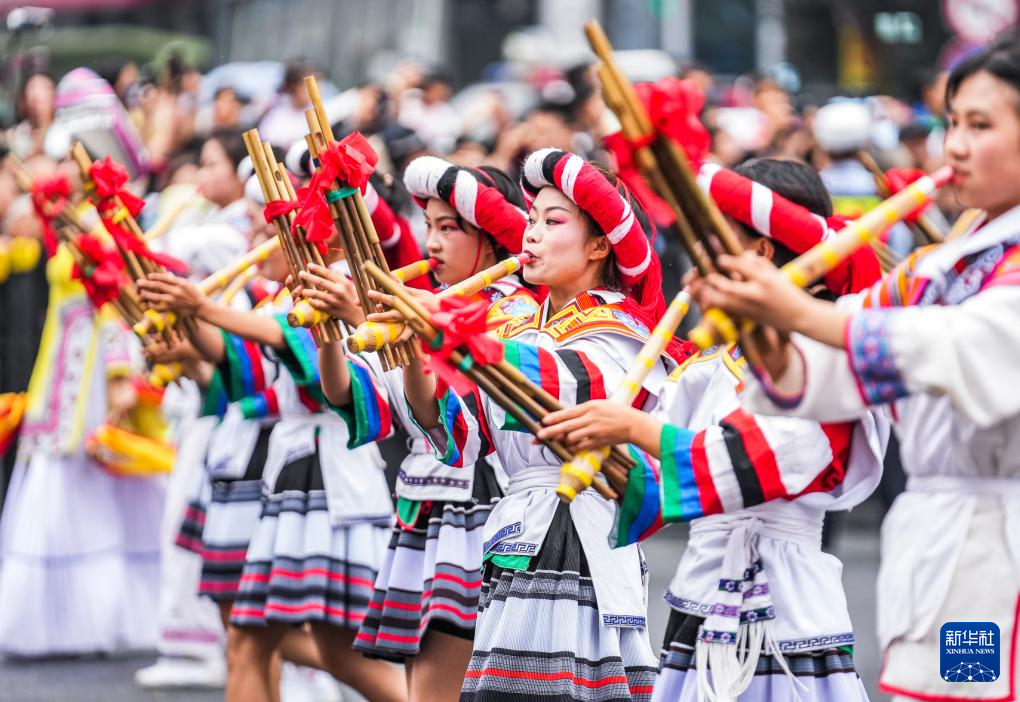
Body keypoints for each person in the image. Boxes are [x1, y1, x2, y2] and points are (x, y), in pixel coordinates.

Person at [686, 34, 1020, 702]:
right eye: (952, 123)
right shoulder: (941, 266)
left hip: (996, 541)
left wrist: (795, 310)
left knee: (974, 695)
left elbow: (955, 346)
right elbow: (836, 365)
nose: (953, 146)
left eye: (980, 126)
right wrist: (762, 325)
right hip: (943, 546)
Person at [539, 158, 886, 701]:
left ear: (761, 252)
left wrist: (632, 426)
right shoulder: (709, 368)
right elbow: (657, 481)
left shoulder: (824, 359)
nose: (695, 268)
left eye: (712, 244)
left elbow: (755, 460)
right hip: (701, 594)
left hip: (785, 604)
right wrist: (602, 450)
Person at [375, 148, 687, 701]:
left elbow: (561, 386)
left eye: (553, 221)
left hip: (579, 536)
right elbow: (459, 433)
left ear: (600, 246)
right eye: (533, 219)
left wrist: (448, 327)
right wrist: (418, 349)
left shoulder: (621, 331)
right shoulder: (522, 330)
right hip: (520, 535)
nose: (532, 233)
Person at [313, 157, 539, 701]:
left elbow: (447, 411)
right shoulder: (428, 303)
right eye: (429, 226)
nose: (432, 243)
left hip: (480, 501)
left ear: (491, 238)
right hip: (425, 505)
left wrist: (377, 321)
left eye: (449, 228)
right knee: (425, 685)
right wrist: (330, 330)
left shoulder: (515, 311)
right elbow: (353, 397)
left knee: (439, 688)